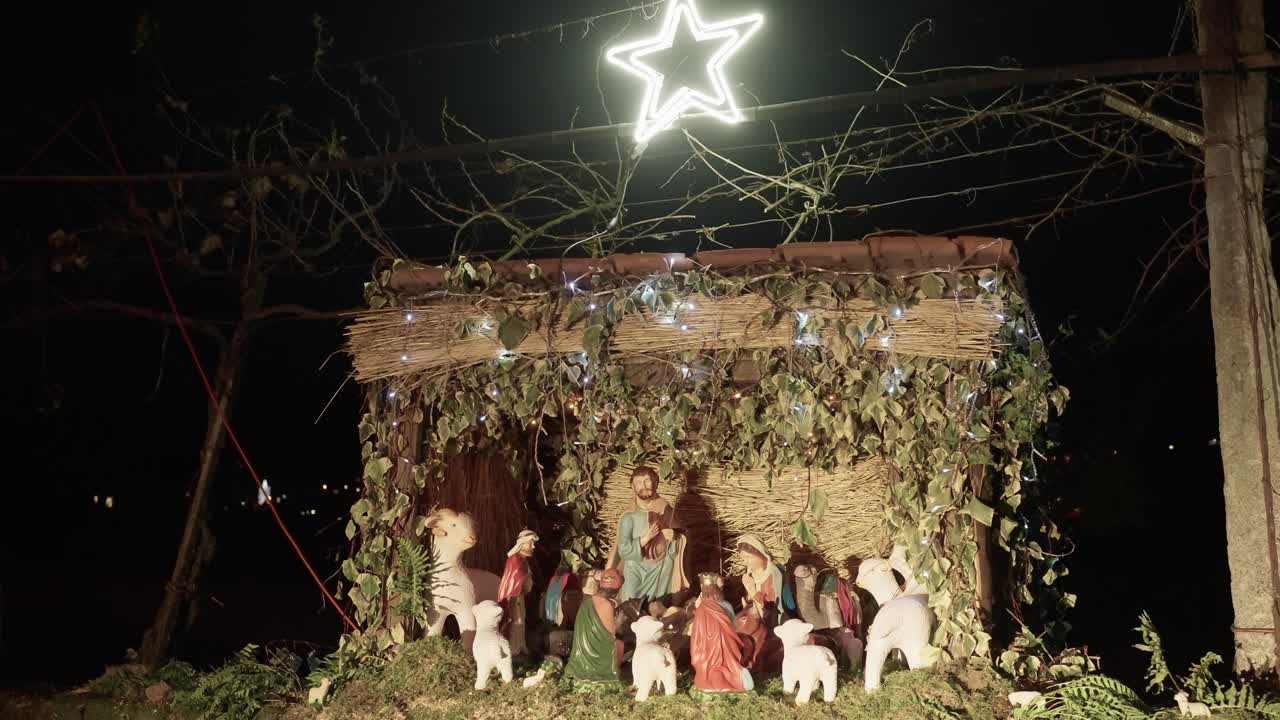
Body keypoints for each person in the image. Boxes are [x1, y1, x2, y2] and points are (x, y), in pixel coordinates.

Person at [606, 466, 689, 604]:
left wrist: (674, 537)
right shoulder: (629, 516)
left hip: (661, 568)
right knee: (630, 603)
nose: (644, 486)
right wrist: (646, 538)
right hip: (634, 568)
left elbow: (681, 537)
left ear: (655, 483)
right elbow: (624, 551)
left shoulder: (665, 509)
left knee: (658, 605)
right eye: (639, 482)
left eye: (647, 481)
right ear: (632, 486)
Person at [689, 573, 752, 693]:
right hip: (726, 645)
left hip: (707, 649)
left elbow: (697, 633)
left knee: (710, 667)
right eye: (720, 587)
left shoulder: (702, 608)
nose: (722, 589)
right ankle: (736, 678)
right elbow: (734, 625)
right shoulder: (725, 605)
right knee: (729, 665)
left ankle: (711, 683)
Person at [564, 568, 624, 684]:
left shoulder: (586, 601)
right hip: (596, 659)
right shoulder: (606, 604)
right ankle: (609, 674)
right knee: (619, 644)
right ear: (615, 589)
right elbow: (610, 635)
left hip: (580, 655)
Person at [736, 534, 784, 673]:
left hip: (772, 620)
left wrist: (751, 590)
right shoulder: (751, 575)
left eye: (750, 558)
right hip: (755, 616)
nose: (746, 562)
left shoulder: (773, 574)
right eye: (743, 558)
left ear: (761, 555)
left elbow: (772, 604)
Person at [496, 529, 538, 656]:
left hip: (520, 596)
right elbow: (514, 580)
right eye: (530, 543)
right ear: (522, 543)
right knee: (516, 621)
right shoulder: (515, 560)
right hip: (514, 597)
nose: (533, 546)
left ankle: (520, 647)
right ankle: (513, 650)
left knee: (521, 621)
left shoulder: (522, 560)